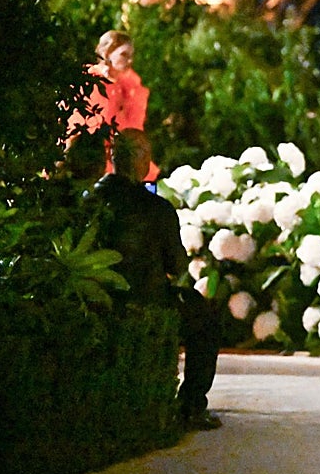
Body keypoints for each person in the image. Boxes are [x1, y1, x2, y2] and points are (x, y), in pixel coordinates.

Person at [89, 128, 222, 431]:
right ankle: (191, 405)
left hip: (97, 298)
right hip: (146, 301)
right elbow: (176, 266)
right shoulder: (156, 208)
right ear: (144, 161)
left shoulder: (91, 200)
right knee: (206, 317)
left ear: (113, 159)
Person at [75, 30, 159, 181]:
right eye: (123, 55)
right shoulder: (90, 81)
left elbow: (134, 128)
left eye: (131, 56)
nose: (129, 61)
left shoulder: (128, 86)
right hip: (91, 157)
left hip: (119, 156)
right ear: (107, 53)